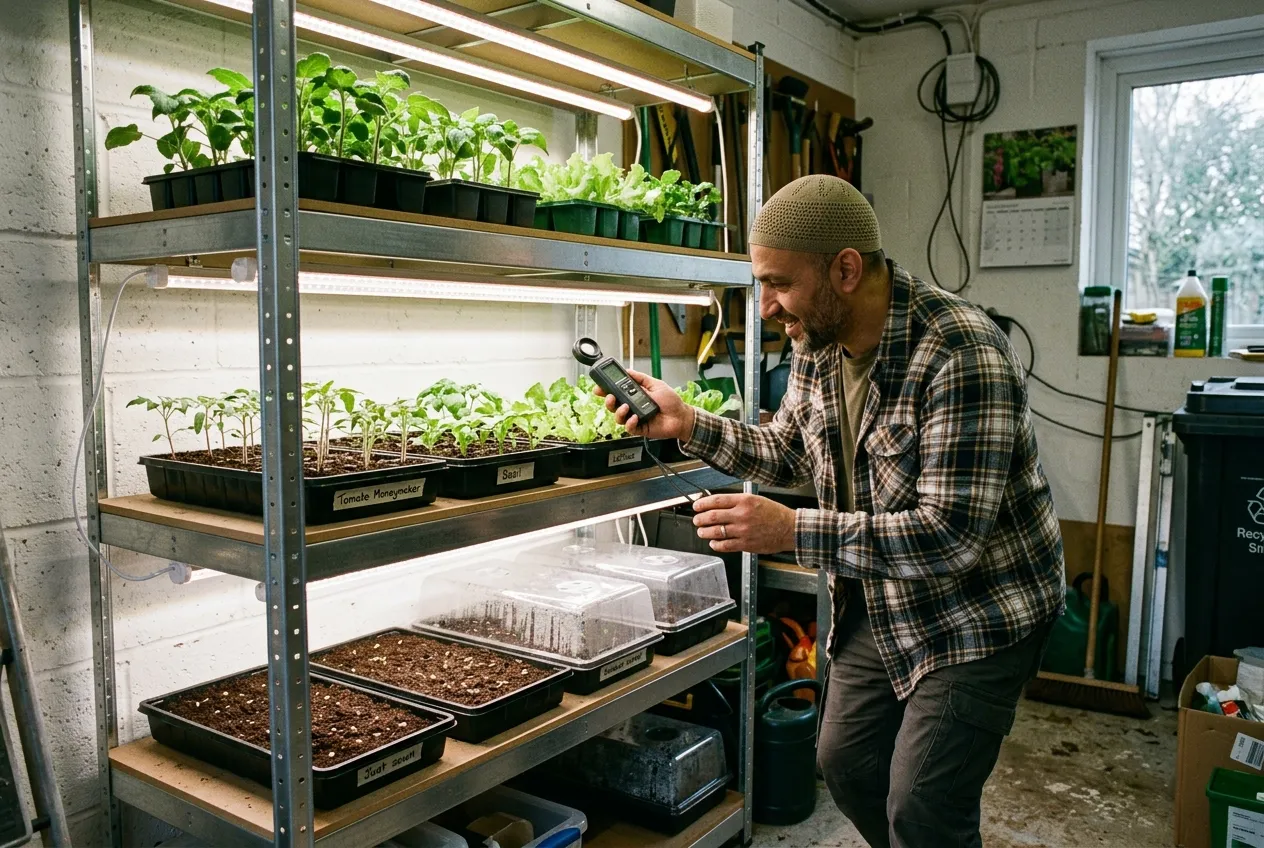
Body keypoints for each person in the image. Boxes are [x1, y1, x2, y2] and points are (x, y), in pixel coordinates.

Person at [601, 175, 1065, 847]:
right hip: (884, 595)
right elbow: (790, 452)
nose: (765, 308)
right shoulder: (818, 343)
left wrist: (789, 530)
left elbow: (950, 537)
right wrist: (686, 423)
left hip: (981, 609)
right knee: (846, 762)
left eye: (779, 284)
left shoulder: (962, 353)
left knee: (924, 803)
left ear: (846, 269)